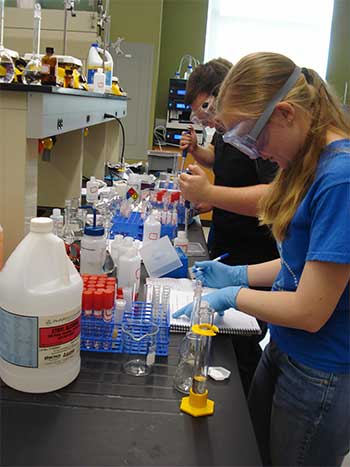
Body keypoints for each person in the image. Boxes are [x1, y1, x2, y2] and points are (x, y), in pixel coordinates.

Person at [173, 52, 350, 466]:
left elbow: (310, 310)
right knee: (249, 452)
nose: (258, 154)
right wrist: (238, 273)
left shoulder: (340, 179)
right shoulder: (310, 163)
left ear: (285, 113)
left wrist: (234, 295)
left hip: (319, 371)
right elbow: (298, 264)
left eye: (255, 139)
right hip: (287, 351)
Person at [180, 58, 279, 396]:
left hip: (254, 252)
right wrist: (198, 154)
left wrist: (211, 193)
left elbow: (275, 197)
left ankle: (240, 414)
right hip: (226, 243)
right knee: (220, 339)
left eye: (209, 109)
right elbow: (224, 165)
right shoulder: (227, 131)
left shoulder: (256, 135)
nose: (210, 120)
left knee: (242, 346)